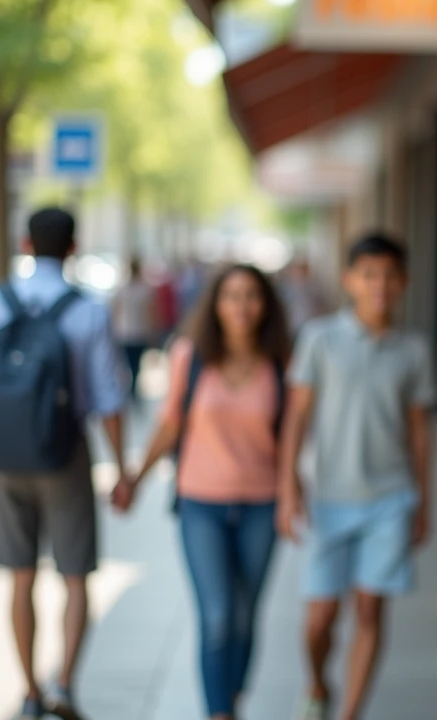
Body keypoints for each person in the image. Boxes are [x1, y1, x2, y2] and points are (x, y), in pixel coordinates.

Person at [0, 208, 129, 720]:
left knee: (20, 576)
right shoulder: (88, 311)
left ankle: (29, 691)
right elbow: (109, 399)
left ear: (25, 242)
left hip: (7, 457)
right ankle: (66, 685)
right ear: (74, 248)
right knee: (75, 576)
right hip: (65, 454)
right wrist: (121, 469)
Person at [115, 264, 290, 720]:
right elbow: (171, 423)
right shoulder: (190, 356)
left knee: (246, 618)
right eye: (231, 295)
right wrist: (134, 477)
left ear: (265, 304)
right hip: (200, 504)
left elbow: (293, 436)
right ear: (215, 303)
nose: (241, 305)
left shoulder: (280, 360)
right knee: (217, 617)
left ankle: (232, 699)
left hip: (262, 504)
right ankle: (220, 713)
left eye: (251, 295)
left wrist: (295, 495)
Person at [276, 234, 435, 720]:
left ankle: (349, 713)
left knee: (369, 610)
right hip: (327, 498)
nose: (379, 286)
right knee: (320, 617)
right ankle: (318, 682)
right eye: (368, 275)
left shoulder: (413, 349)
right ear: (348, 280)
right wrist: (287, 489)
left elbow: (419, 433)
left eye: (389, 276)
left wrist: (424, 503)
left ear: (403, 282)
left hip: (390, 498)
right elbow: (296, 419)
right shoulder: (319, 338)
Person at [111, 257, 158, 403]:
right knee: (134, 364)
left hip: (126, 332)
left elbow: (115, 311)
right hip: (137, 332)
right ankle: (132, 390)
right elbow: (151, 313)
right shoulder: (144, 289)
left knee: (129, 363)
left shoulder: (124, 288)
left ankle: (131, 390)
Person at [280, 257, 329, 334]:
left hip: (311, 325)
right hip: (293, 326)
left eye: (303, 271)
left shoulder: (314, 289)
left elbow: (322, 308)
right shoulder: (286, 290)